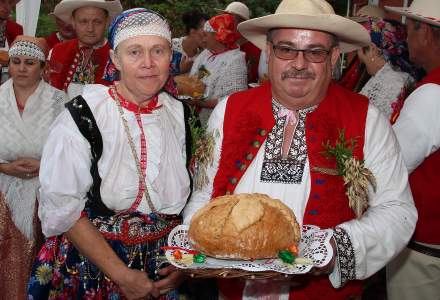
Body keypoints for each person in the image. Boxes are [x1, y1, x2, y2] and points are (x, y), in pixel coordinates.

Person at [183, 0, 417, 299]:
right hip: (234, 291)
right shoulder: (229, 110)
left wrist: (332, 250)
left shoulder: (366, 118)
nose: (299, 63)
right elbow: (204, 194)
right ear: (269, 51)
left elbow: (397, 211)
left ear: (333, 56)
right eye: (286, 49)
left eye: (315, 52)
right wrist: (200, 239)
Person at [27, 8, 190, 299]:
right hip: (94, 267)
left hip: (165, 268)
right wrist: (122, 275)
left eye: (158, 51)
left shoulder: (181, 115)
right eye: (134, 52)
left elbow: (198, 198)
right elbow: (63, 207)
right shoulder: (85, 114)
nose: (148, 64)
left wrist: (185, 260)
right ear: (115, 59)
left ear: (171, 56)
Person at [0, 35, 67, 299]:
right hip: (2, 192)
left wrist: (44, 165)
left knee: (35, 261)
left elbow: (70, 151)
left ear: (43, 68)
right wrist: (4, 168)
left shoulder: (58, 101)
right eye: (16, 62)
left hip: (44, 195)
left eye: (30, 62)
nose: (22, 68)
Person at [386, 0, 440, 299]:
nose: (406, 40)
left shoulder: (432, 94)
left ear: (427, 33)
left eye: (409, 31)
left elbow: (394, 164)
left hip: (426, 252)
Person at [47, 0, 122, 99]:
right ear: (73, 22)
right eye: (83, 21)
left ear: (107, 22)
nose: (90, 29)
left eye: (97, 22)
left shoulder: (118, 55)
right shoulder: (56, 51)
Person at [188, 13, 247, 125]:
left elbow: (233, 101)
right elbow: (195, 78)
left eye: (206, 35)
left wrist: (200, 102)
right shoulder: (206, 54)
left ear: (218, 36)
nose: (203, 40)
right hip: (196, 118)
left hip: (218, 123)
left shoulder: (235, 60)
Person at [357, 18, 415, 122]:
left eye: (358, 44)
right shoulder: (389, 77)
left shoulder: (390, 82)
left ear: (372, 48)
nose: (356, 50)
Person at [217, 1, 261, 83]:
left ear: (242, 24)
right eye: (224, 19)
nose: (225, 24)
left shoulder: (256, 48)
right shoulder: (224, 44)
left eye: (229, 20)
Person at [171, 10, 208, 75]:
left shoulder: (205, 57)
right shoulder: (170, 47)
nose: (209, 33)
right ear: (193, 32)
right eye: (205, 29)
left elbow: (204, 80)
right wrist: (180, 70)